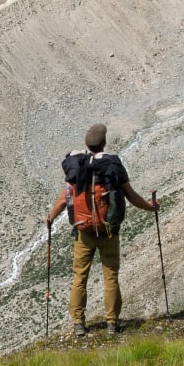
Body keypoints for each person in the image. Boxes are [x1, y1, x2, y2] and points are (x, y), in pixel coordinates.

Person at [44, 122, 157, 336]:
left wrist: (50, 218)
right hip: (108, 231)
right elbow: (131, 196)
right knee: (111, 276)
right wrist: (151, 208)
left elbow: (64, 198)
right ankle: (112, 323)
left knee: (80, 277)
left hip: (83, 231)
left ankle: (78, 324)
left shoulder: (76, 167)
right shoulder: (112, 166)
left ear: (87, 145)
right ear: (104, 143)